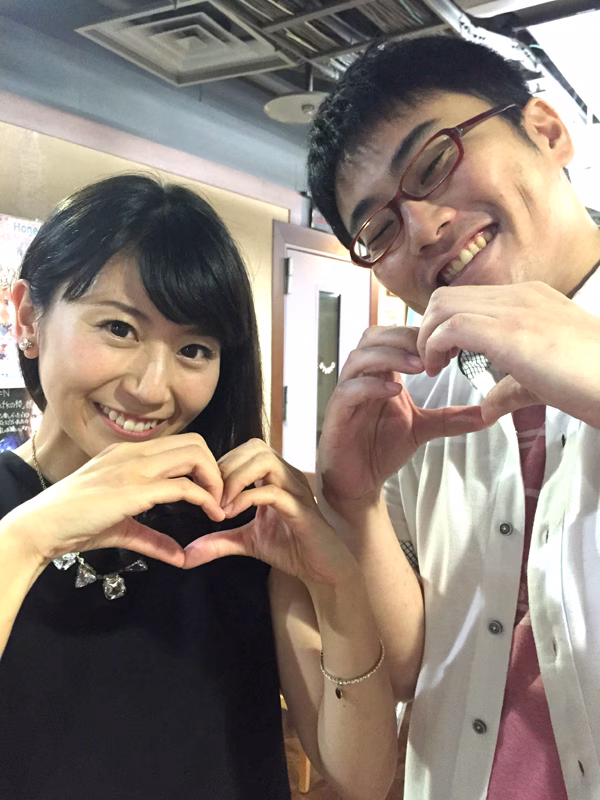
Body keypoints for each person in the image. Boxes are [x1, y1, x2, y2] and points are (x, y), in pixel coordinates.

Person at [0, 174, 398, 800]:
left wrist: (338, 585)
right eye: (119, 329)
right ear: (27, 317)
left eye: (193, 349)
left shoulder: (240, 522)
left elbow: (361, 779)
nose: (151, 389)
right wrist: (29, 538)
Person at [306, 35, 600, 800]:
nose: (426, 227)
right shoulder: (424, 401)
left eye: (435, 162)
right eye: (379, 230)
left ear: (547, 131)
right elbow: (416, 665)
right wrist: (356, 505)